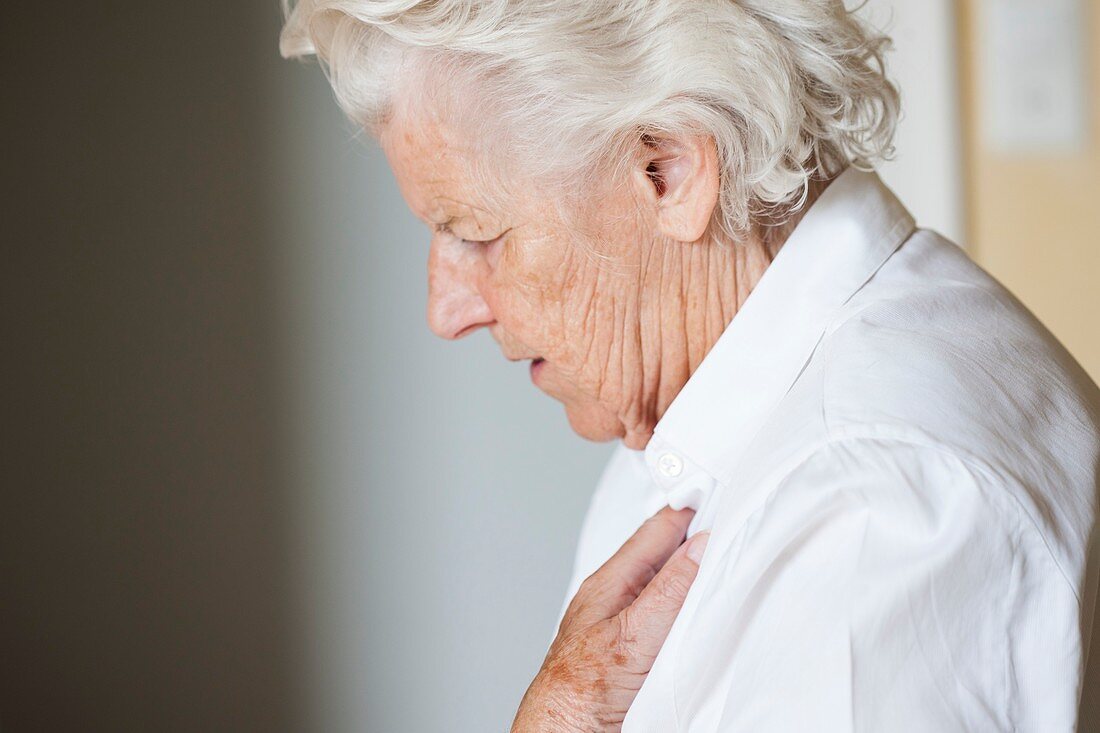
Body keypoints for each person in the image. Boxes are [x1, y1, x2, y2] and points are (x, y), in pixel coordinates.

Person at [280, 1, 1100, 730]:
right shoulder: (711, 424)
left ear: (668, 170)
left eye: (478, 232)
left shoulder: (872, 507)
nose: (447, 308)